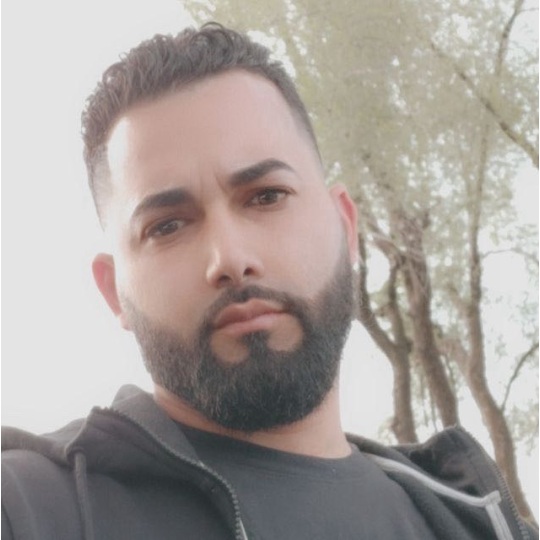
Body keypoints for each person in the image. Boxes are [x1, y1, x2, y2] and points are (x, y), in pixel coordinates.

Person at [2, 22, 536, 540]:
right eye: (167, 226)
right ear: (113, 289)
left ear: (345, 228)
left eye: (267, 196)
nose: (230, 258)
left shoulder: (477, 521)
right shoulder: (29, 507)